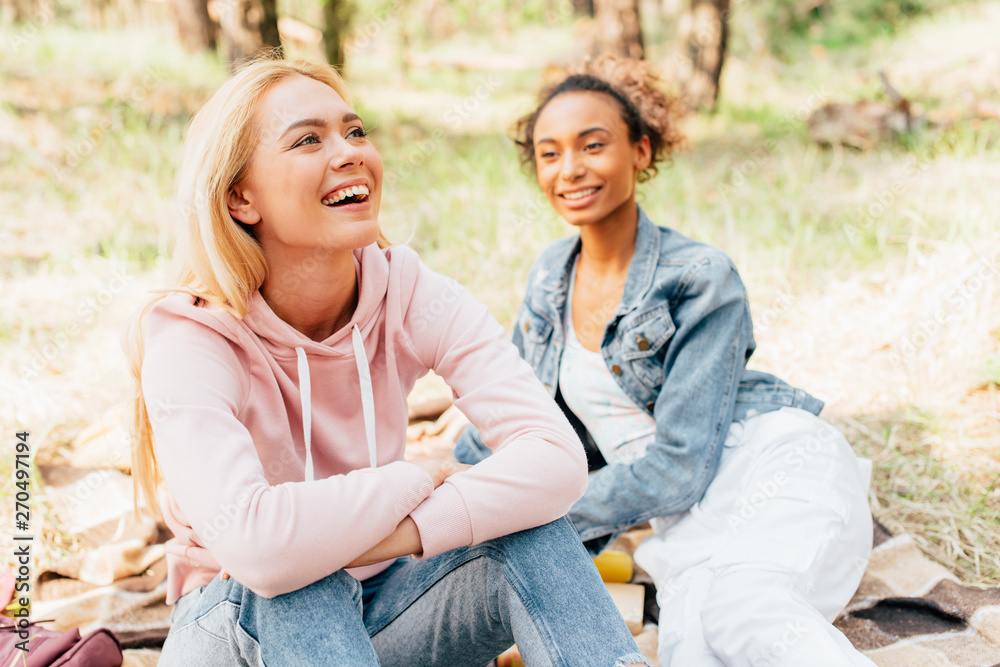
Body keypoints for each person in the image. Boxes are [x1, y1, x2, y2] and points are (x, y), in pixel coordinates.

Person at [128, 56, 650, 667]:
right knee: (301, 579)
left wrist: (392, 535)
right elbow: (259, 551)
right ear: (241, 197)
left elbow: (556, 462)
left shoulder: (407, 291)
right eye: (307, 140)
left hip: (383, 605)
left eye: (355, 131)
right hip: (233, 621)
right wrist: (412, 480)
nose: (349, 152)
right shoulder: (192, 332)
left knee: (534, 532)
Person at [454, 57, 876, 667]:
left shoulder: (701, 277)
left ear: (641, 152)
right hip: (684, 530)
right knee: (692, 650)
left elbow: (680, 467)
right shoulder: (550, 274)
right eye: (549, 154)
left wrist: (517, 511)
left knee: (747, 613)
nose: (569, 169)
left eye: (592, 145)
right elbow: (517, 419)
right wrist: (437, 489)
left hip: (768, 470)